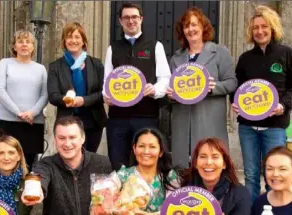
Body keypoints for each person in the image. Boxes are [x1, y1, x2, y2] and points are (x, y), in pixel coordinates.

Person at [230, 5, 292, 203]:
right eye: (255, 28)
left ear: (273, 28)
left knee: (274, 176)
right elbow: (236, 88)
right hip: (248, 127)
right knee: (251, 176)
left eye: (264, 27)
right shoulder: (245, 59)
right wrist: (234, 103)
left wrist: (284, 105)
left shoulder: (286, 54)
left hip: (275, 127)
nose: (259, 31)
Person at [23, 116, 113, 215]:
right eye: (62, 138)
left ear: (82, 138)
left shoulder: (102, 164)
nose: (67, 143)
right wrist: (37, 189)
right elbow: (40, 176)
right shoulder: (47, 164)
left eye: (72, 137)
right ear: (55, 140)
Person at [90, 128, 180, 215]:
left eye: (152, 147)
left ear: (160, 151)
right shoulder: (123, 175)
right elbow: (101, 197)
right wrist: (95, 211)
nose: (146, 151)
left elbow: (177, 212)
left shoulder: (170, 178)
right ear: (134, 148)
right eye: (141, 146)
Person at [102, 2, 172, 171]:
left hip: (146, 116)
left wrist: (154, 89)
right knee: (118, 165)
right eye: (126, 17)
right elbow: (107, 81)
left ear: (141, 19)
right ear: (120, 21)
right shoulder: (113, 48)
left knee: (145, 164)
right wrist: (106, 96)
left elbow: (165, 78)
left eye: (134, 17)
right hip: (118, 118)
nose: (130, 21)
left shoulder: (155, 46)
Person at [168, 7, 237, 168]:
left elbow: (232, 82)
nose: (190, 29)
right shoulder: (176, 58)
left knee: (209, 165)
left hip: (209, 119)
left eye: (194, 24)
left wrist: (214, 88)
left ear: (203, 26)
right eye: (186, 26)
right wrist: (170, 96)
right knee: (183, 169)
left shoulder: (219, 52)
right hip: (183, 120)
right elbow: (171, 90)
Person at [180, 138, 251, 215]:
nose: (208, 162)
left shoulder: (240, 193)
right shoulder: (186, 191)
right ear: (196, 163)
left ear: (224, 163)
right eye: (203, 156)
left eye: (215, 157)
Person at [47, 22, 107, 153]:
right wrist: (67, 99)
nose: (73, 40)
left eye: (77, 37)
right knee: (69, 159)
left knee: (90, 158)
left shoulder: (96, 64)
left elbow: (104, 93)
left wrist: (84, 100)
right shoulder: (55, 67)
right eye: (69, 37)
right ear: (64, 41)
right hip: (67, 122)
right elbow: (53, 96)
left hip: (93, 121)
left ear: (83, 41)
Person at [0, 29, 48, 169]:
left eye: (28, 42)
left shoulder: (40, 69)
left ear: (33, 47)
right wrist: (18, 112)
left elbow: (45, 94)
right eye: (20, 41)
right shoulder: (5, 64)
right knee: (6, 162)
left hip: (32, 123)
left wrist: (32, 113)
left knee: (28, 165)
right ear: (14, 46)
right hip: (8, 122)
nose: (24, 45)